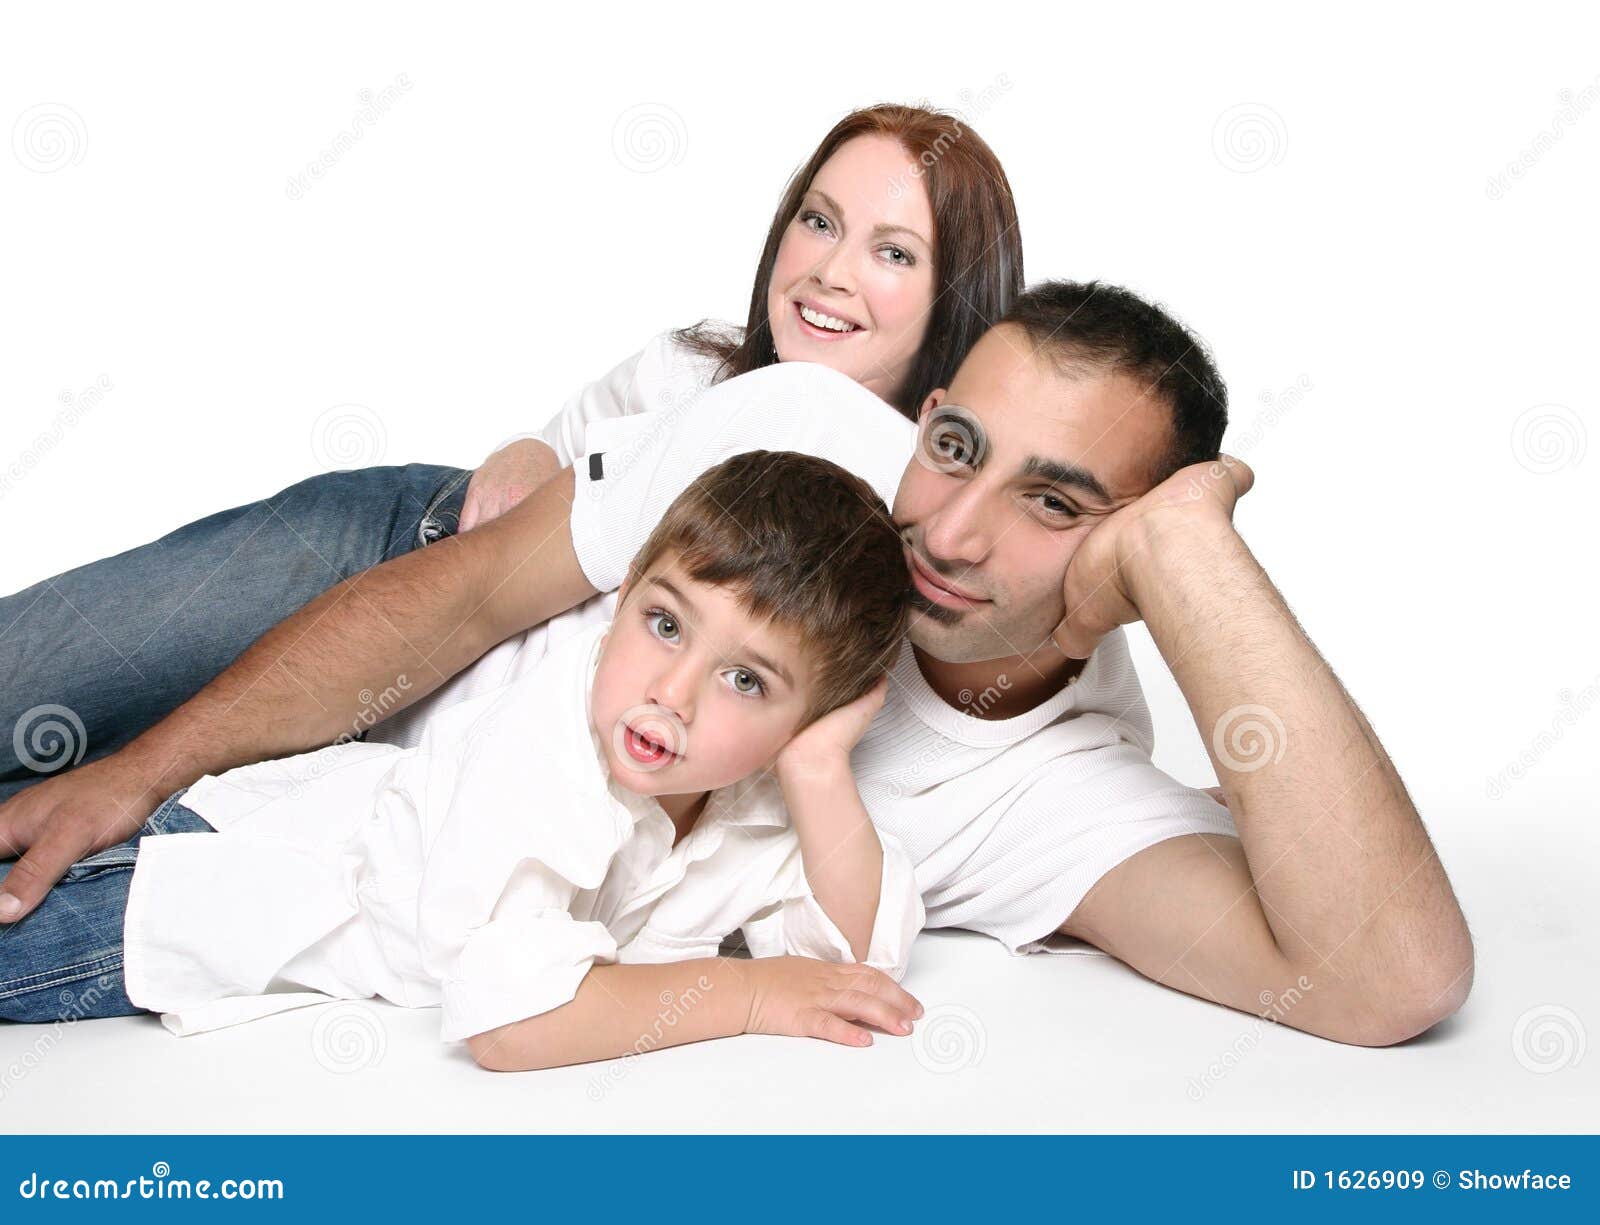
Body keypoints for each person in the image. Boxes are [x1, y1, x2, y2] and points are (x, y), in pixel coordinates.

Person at [3, 276, 1478, 1047]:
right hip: (393, 567)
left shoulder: (1058, 795)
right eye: (954, 446)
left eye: (1054, 502)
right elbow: (452, 607)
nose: (946, 528)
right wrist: (135, 769)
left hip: (338, 866)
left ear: (1128, 566)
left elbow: (1386, 980)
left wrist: (1197, 553)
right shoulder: (808, 434)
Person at [0, 100, 1021, 798]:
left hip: (393, 763)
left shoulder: (940, 529)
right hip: (400, 551)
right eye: (817, 221)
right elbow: (550, 451)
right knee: (37, 679)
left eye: (892, 252)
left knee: (73, 794)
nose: (830, 271)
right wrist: (531, 452)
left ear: (954, 297)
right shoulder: (690, 372)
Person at [0, 453, 927, 1070]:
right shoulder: (556, 733)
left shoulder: (753, 793)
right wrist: (752, 992)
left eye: (745, 679)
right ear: (626, 593)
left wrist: (816, 767)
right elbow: (507, 1020)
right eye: (664, 622)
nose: (671, 693)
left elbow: (855, 956)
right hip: (192, 882)